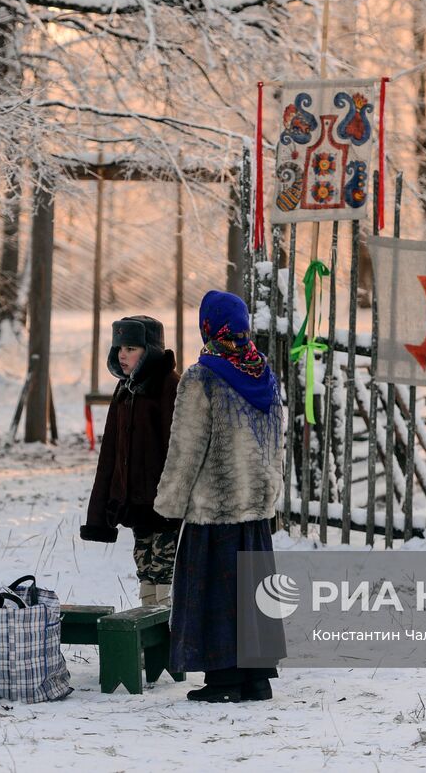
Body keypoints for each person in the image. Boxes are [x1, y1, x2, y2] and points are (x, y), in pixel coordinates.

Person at [153, 290, 284, 703]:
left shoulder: (202, 377)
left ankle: (224, 681)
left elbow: (186, 448)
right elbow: (277, 442)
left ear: (208, 327)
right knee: (253, 593)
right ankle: (257, 679)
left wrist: (169, 504)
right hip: (256, 508)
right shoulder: (263, 374)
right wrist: (271, 493)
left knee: (217, 593)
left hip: (216, 507)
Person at [80, 316, 181, 606]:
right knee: (145, 571)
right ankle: (148, 633)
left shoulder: (169, 387)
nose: (123, 354)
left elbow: (177, 450)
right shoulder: (125, 389)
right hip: (137, 506)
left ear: (150, 350)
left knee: (166, 574)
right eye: (120, 347)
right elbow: (110, 453)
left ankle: (167, 637)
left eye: (132, 348)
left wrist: (174, 500)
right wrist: (100, 514)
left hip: (165, 508)